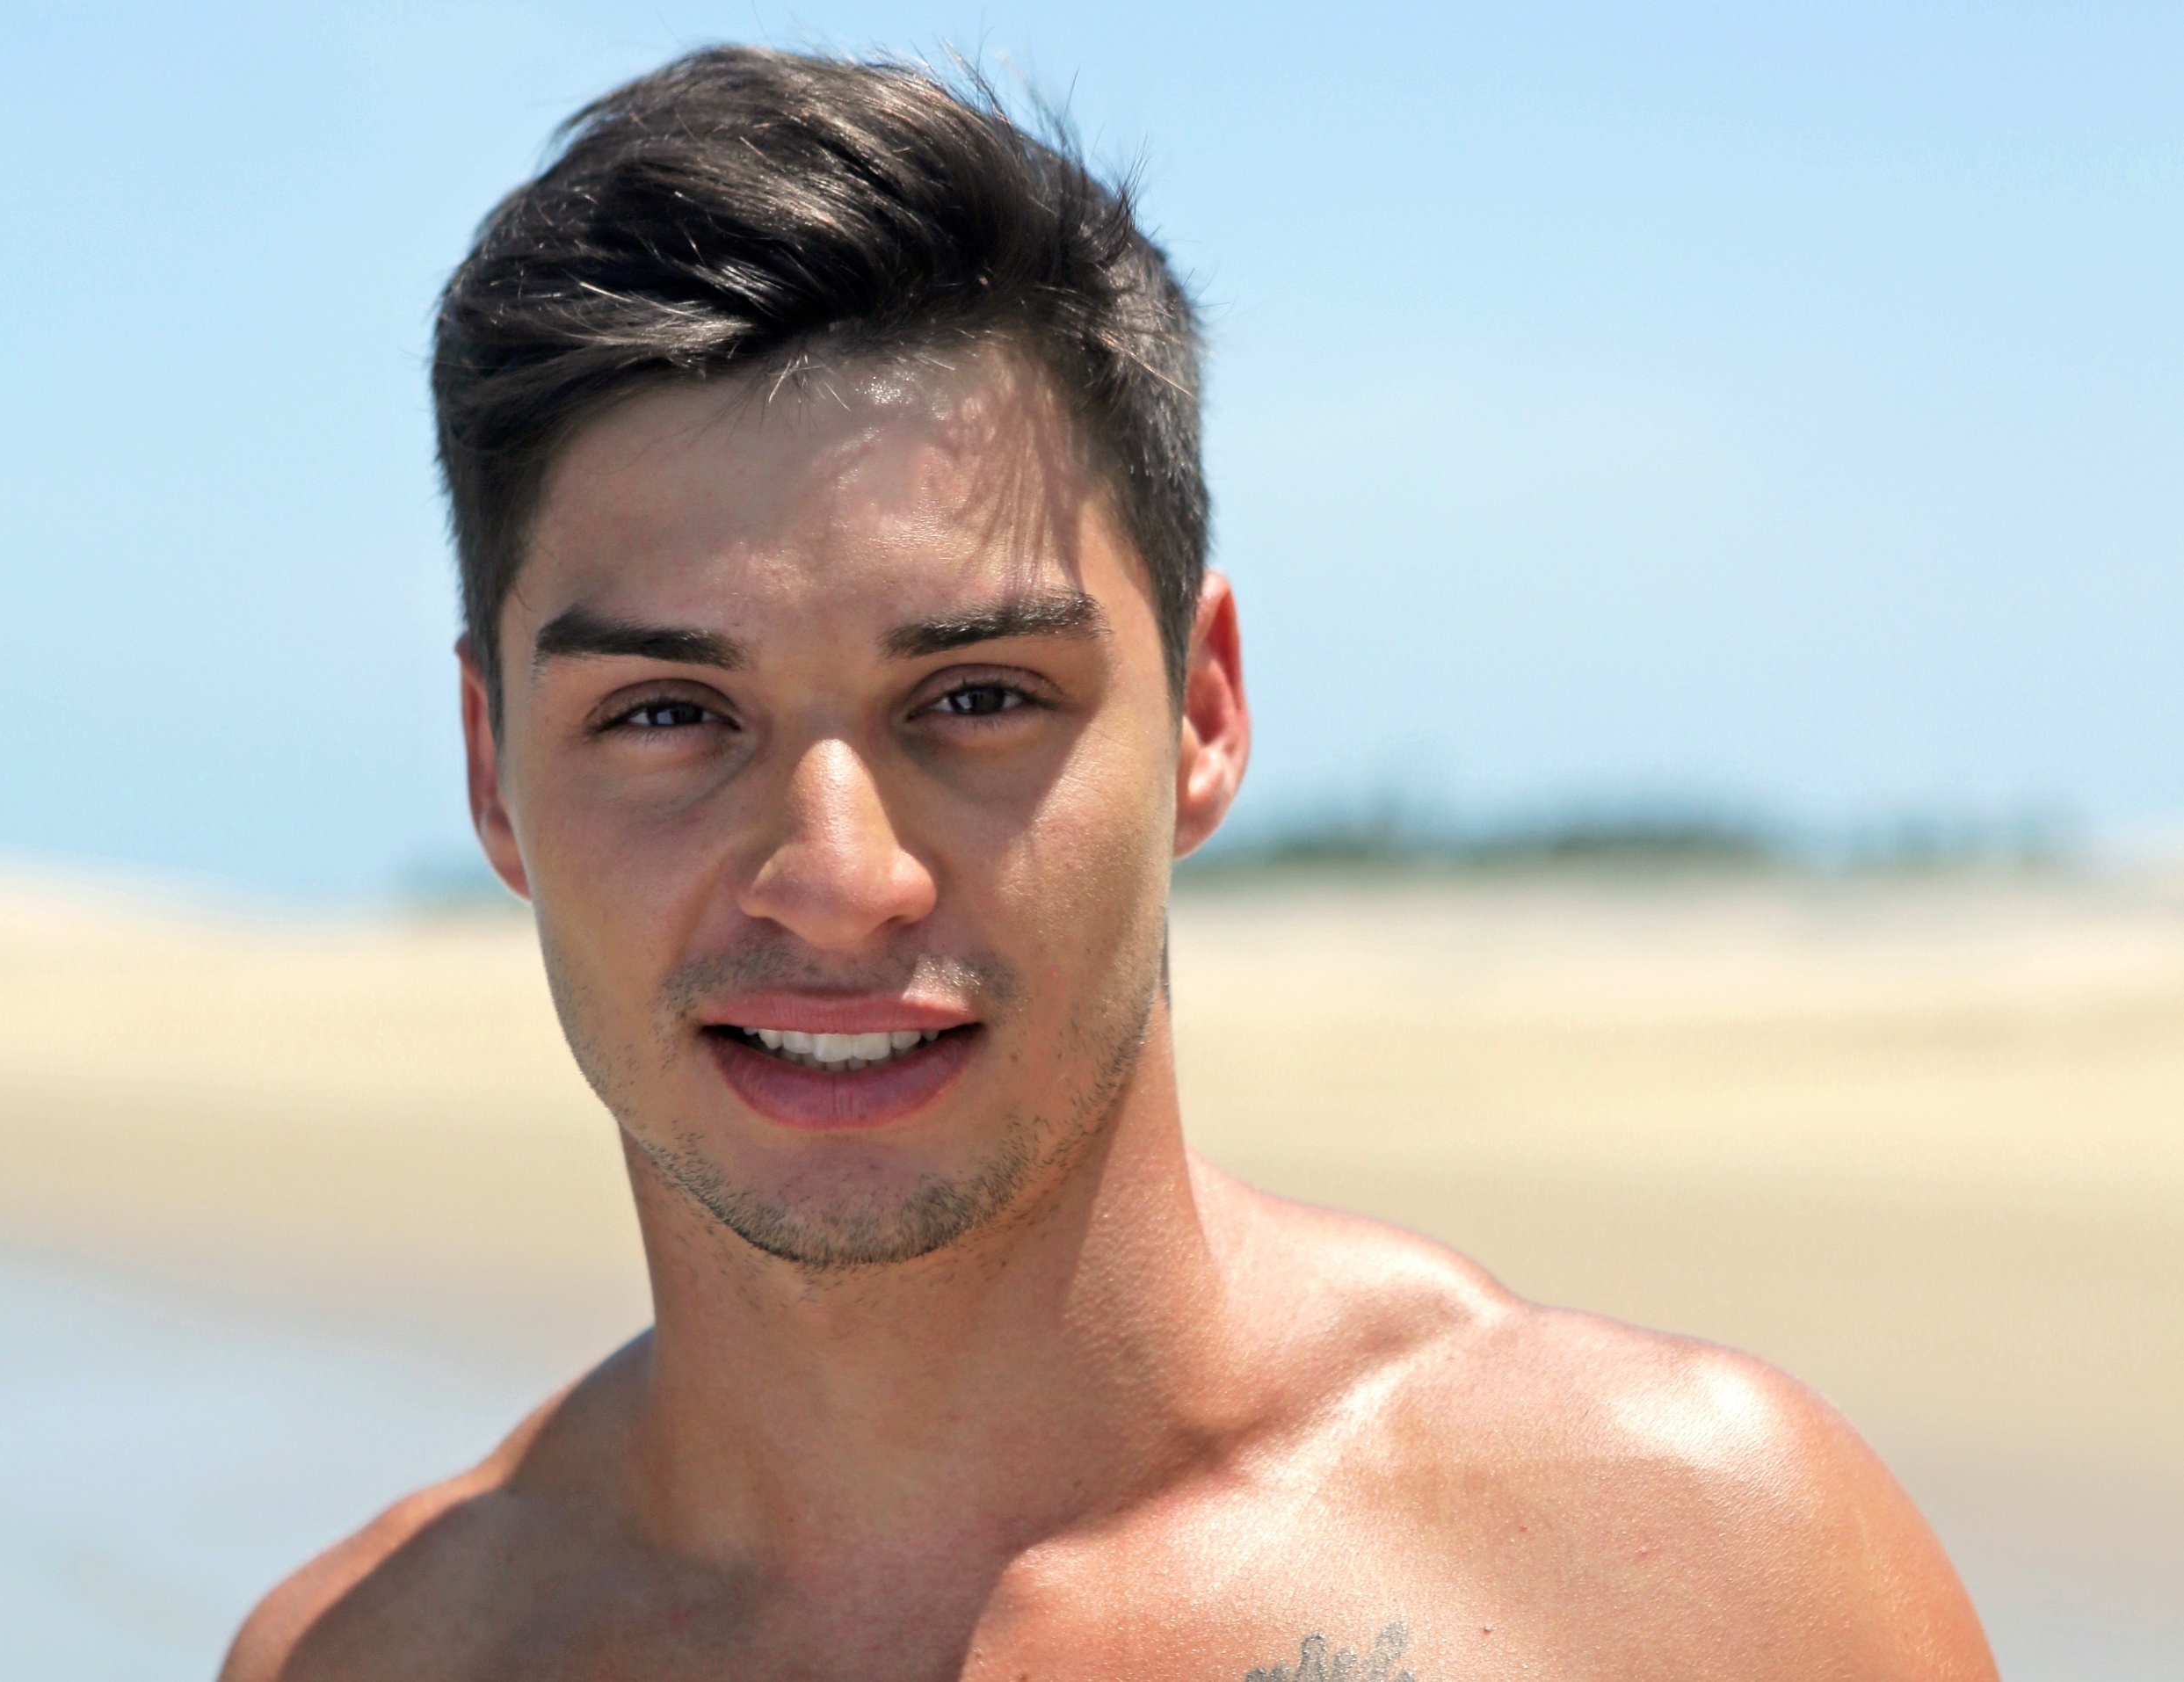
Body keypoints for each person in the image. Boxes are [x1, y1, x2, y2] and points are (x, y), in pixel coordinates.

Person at [223, 46, 1996, 1682]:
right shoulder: (378, 1659)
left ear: (1203, 712)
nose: (837, 877)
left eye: (975, 698)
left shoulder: (1687, 1577)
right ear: (493, 773)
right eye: (670, 716)